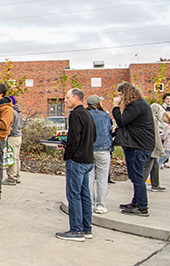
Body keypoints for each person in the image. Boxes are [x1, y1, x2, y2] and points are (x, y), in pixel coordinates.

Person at [56, 88, 96, 242]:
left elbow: (74, 138)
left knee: (74, 195)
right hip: (87, 159)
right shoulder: (88, 114)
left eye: (67, 97)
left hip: (77, 161)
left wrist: (68, 153)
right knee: (85, 194)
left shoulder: (75, 114)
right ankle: (87, 228)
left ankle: (76, 230)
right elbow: (93, 136)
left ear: (76, 98)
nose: (65, 100)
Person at [112, 82, 154, 217]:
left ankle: (142, 207)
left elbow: (122, 121)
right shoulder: (139, 104)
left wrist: (115, 107)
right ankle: (136, 202)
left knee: (137, 176)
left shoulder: (136, 105)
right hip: (138, 144)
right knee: (135, 175)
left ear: (127, 93)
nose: (119, 97)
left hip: (138, 145)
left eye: (120, 94)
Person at [86, 95, 113, 214]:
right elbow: (109, 130)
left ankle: (90, 203)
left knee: (89, 178)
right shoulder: (105, 116)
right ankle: (101, 204)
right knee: (102, 178)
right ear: (98, 104)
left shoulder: (86, 115)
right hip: (103, 149)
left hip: (89, 149)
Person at [144, 103, 166, 192]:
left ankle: (155, 184)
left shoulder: (147, 118)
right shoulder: (153, 119)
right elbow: (156, 135)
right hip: (152, 146)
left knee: (155, 166)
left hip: (148, 144)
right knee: (147, 166)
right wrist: (159, 148)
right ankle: (140, 184)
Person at [3, 96, 23, 186]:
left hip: (12, 136)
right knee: (17, 157)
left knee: (11, 157)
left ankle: (11, 177)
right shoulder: (18, 112)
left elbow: (9, 125)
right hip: (18, 136)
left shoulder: (11, 112)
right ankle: (17, 176)